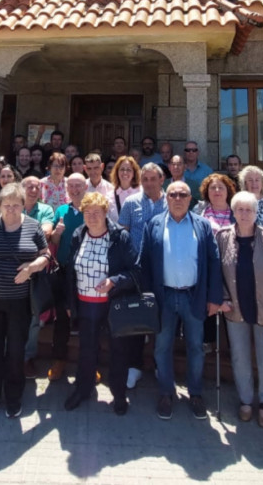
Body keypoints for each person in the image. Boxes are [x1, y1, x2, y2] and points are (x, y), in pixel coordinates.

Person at [0, 183, 50, 420]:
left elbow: (46, 256)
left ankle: (13, 399)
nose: (11, 209)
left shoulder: (33, 227)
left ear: (24, 205)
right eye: (6, 204)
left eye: (16, 204)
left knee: (16, 353)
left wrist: (33, 267)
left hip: (20, 304)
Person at [141, 181, 222, 421]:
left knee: (196, 347)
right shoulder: (154, 224)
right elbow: (144, 262)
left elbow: (214, 262)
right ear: (167, 198)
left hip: (193, 296)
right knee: (162, 347)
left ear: (191, 199)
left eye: (183, 194)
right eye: (173, 194)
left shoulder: (203, 225)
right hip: (163, 296)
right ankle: (166, 393)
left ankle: (195, 393)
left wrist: (214, 298)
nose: (177, 198)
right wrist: (147, 297)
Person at [215, 191, 263, 427]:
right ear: (234, 212)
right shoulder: (223, 237)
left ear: (256, 213)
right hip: (235, 308)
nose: (244, 214)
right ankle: (246, 400)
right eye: (240, 209)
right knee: (239, 357)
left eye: (249, 210)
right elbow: (217, 272)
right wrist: (223, 299)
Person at [63, 192, 140, 415]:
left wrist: (114, 281)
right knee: (86, 349)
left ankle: (118, 394)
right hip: (86, 305)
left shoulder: (119, 237)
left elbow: (135, 271)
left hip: (113, 304)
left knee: (118, 350)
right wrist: (70, 303)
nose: (92, 217)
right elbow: (70, 270)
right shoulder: (79, 234)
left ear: (106, 213)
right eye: (88, 212)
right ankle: (83, 389)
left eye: (97, 212)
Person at [118, 162, 168, 389]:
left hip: (165, 270)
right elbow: (123, 236)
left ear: (161, 180)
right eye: (145, 179)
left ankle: (161, 366)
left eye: (153, 179)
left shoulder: (173, 201)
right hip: (137, 271)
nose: (148, 183)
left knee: (162, 320)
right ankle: (134, 366)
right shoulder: (131, 203)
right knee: (136, 320)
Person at [46, 173, 89, 381]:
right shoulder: (61, 210)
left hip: (87, 273)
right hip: (64, 271)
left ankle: (88, 363)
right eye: (70, 186)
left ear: (85, 187)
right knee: (62, 318)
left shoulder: (93, 209)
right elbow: (53, 240)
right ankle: (59, 360)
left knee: (87, 320)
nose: (74, 189)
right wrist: (58, 232)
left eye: (78, 185)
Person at [192, 173, 237, 352]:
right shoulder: (199, 211)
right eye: (212, 188)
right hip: (207, 266)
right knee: (208, 300)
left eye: (221, 187)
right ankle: (208, 340)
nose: (217, 191)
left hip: (232, 267)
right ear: (206, 191)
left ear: (228, 191)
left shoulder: (236, 211)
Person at [20, 176, 56, 377]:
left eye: (37, 187)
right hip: (11, 270)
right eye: (29, 186)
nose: (33, 190)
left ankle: (27, 357)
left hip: (35, 270)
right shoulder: (13, 205)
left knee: (33, 317)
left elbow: (46, 232)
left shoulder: (46, 210)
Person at [83, 154, 117, 222]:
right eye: (89, 168)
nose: (93, 172)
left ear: (102, 166)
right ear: (85, 168)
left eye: (96, 168)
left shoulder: (111, 188)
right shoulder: (81, 188)